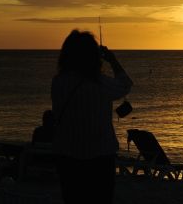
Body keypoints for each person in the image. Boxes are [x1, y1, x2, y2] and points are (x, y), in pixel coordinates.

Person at [52, 30, 133, 204]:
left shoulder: (58, 82)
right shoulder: (100, 83)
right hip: (99, 158)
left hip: (67, 157)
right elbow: (126, 84)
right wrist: (112, 59)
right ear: (93, 57)